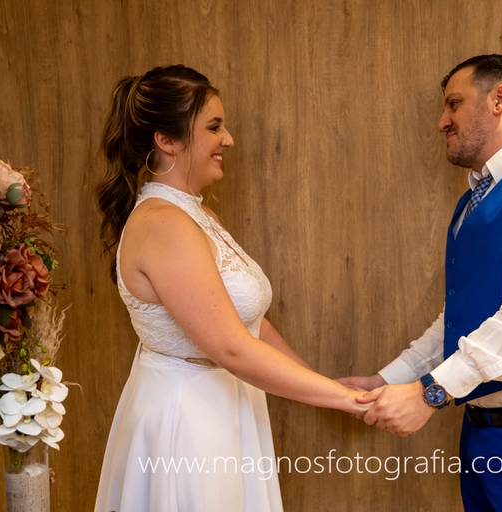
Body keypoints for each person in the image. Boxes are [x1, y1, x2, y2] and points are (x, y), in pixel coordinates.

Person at [340, 54, 502, 511]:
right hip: (483, 432)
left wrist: (430, 393)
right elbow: (461, 317)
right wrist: (388, 379)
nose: (442, 122)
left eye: (454, 104)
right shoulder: (472, 201)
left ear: (500, 99)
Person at [94, 65, 368, 512]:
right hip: (188, 422)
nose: (229, 139)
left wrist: (322, 384)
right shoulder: (163, 224)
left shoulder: (198, 216)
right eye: (214, 127)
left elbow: (251, 323)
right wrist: (348, 401)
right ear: (167, 140)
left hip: (227, 406)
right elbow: (231, 348)